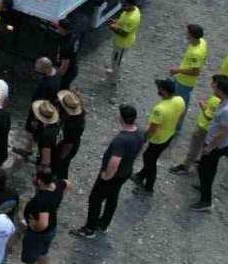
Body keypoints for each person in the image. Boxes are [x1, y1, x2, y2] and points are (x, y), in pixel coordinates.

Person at [70, 104, 144, 238]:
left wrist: (106, 175)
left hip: (113, 175)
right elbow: (141, 147)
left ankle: (89, 229)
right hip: (126, 172)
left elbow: (114, 161)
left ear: (121, 118)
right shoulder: (139, 132)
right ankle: (103, 224)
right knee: (112, 196)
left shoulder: (121, 139)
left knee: (95, 199)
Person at [13, 167, 66, 264]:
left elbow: (43, 223)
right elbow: (68, 184)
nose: (32, 177)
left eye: (34, 176)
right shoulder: (58, 184)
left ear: (41, 182)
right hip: (52, 229)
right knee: (43, 252)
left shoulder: (41, 200)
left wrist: (33, 226)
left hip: (38, 235)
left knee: (31, 261)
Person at [193, 76, 228, 211]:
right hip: (217, 143)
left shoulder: (227, 111)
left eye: (215, 87)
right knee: (205, 167)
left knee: (206, 171)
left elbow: (223, 132)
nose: (212, 89)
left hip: (216, 145)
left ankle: (205, 201)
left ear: (220, 90)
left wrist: (210, 147)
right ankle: (203, 187)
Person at [132, 78, 185, 195]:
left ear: (164, 91)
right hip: (169, 135)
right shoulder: (180, 100)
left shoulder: (159, 109)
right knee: (150, 157)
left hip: (158, 140)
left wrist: (143, 139)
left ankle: (148, 188)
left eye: (159, 87)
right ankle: (140, 175)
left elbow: (152, 129)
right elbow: (181, 115)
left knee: (150, 161)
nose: (158, 89)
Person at [169, 75, 222, 175]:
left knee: (194, 147)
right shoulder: (221, 100)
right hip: (209, 129)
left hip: (203, 127)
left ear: (215, 85)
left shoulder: (215, 99)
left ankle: (186, 166)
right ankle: (199, 162)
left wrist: (203, 106)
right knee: (201, 147)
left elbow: (208, 116)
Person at [18, 57, 61, 157]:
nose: (35, 68)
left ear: (44, 69)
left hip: (39, 110)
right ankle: (30, 148)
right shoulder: (57, 72)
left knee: (32, 129)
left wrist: (35, 118)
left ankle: (28, 149)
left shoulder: (47, 85)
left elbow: (41, 102)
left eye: (38, 67)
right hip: (47, 107)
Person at [169, 24, 208, 119]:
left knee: (180, 105)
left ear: (192, 35)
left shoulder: (196, 53)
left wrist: (177, 70)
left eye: (187, 32)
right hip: (182, 79)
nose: (185, 33)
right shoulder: (202, 41)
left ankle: (176, 126)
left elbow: (195, 72)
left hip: (185, 82)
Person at [105, 0, 140, 82]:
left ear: (130, 5)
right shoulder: (131, 10)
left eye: (124, 5)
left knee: (117, 62)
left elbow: (124, 34)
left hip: (123, 43)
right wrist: (115, 22)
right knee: (114, 59)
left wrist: (113, 27)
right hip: (118, 42)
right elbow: (122, 20)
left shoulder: (132, 19)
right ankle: (113, 72)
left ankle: (114, 79)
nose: (122, 6)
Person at [54, 90, 85, 180]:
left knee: (62, 166)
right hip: (65, 141)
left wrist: (60, 158)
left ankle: (60, 183)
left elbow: (69, 145)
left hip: (67, 146)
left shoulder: (75, 124)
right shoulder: (76, 113)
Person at [33, 100, 61, 168]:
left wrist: (39, 172)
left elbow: (46, 161)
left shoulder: (46, 134)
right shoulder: (57, 127)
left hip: (46, 169)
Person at [54, 18, 78, 89]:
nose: (57, 28)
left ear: (64, 30)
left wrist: (56, 78)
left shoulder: (66, 46)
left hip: (67, 72)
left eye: (58, 27)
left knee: (61, 90)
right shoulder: (74, 35)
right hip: (73, 67)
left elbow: (64, 67)